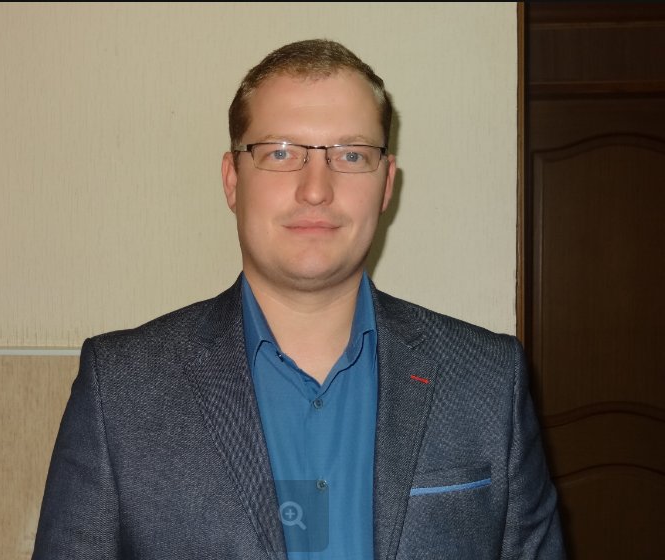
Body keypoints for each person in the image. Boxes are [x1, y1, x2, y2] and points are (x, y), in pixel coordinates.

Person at [32, 39, 564, 559]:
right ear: (232, 180)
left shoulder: (488, 379)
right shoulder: (121, 389)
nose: (315, 189)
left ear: (385, 185)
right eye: (281, 152)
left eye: (351, 154)